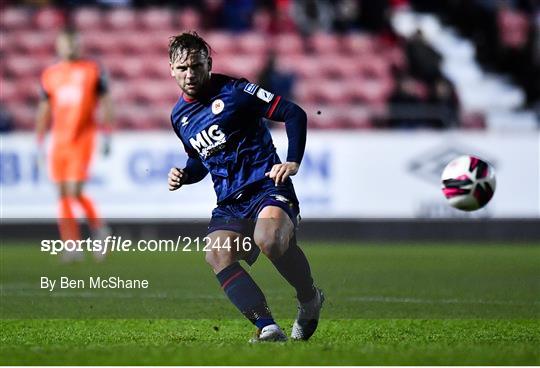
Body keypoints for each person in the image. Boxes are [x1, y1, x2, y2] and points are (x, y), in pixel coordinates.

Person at [167, 31, 324, 342]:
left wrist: (293, 161)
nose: (190, 74)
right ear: (171, 69)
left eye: (196, 66)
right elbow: (201, 160)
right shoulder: (179, 117)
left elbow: (293, 113)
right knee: (216, 254)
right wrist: (185, 175)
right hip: (229, 201)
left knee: (269, 240)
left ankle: (309, 298)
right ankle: (267, 327)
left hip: (266, 186)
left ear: (208, 64)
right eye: (182, 68)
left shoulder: (236, 91)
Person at [36, 29, 114, 261]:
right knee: (61, 192)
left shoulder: (92, 70)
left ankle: (100, 230)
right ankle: (71, 246)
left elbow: (106, 101)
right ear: (58, 46)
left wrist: (107, 133)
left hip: (83, 138)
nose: (69, 47)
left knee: (74, 190)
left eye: (73, 43)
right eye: (65, 43)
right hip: (59, 140)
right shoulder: (50, 74)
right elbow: (44, 108)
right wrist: (40, 139)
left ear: (79, 46)